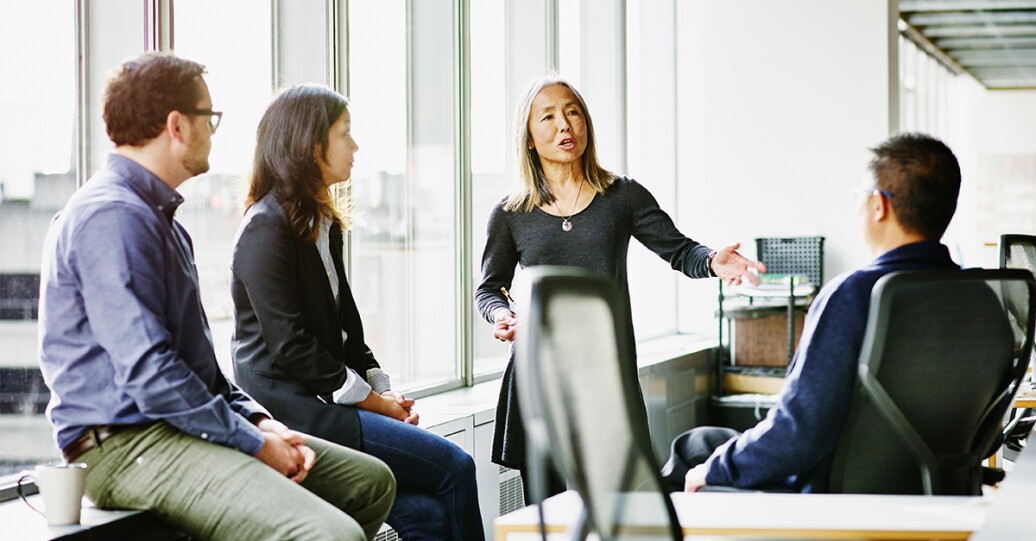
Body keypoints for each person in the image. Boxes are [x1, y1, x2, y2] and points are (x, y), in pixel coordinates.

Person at [37, 53, 395, 541]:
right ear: (177, 125)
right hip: (125, 445)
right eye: (209, 118)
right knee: (333, 534)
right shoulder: (112, 217)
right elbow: (152, 375)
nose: (214, 130)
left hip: (174, 427)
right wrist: (251, 441)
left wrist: (260, 422)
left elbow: (199, 371)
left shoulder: (160, 222)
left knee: (369, 483)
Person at [474, 74, 764, 498]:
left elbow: (680, 250)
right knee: (550, 514)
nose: (565, 126)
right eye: (549, 117)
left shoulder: (621, 195)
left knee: (626, 504)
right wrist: (503, 315)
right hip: (539, 377)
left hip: (606, 374)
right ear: (530, 138)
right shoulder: (511, 211)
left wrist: (713, 261)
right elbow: (489, 288)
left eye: (573, 112)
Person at [230, 84, 485, 541]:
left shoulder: (322, 225)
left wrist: (385, 390)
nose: (356, 147)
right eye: (345, 134)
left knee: (426, 513)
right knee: (456, 467)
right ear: (311, 147)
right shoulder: (264, 228)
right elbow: (292, 348)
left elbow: (347, 332)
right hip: (297, 416)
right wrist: (373, 403)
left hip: (330, 404)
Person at [666, 132, 965, 493]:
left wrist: (713, 470)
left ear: (878, 206)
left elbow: (798, 434)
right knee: (711, 440)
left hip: (836, 491)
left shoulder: (854, 295)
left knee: (694, 451)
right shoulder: (977, 299)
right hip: (929, 488)